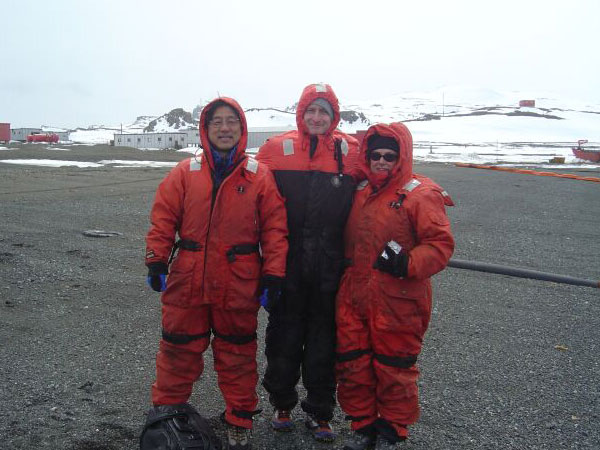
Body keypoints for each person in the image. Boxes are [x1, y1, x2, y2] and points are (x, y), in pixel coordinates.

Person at [142, 97, 288, 450]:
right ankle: (167, 414)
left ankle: (239, 419)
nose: (224, 128)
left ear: (242, 129)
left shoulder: (260, 176)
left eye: (231, 122)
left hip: (238, 282)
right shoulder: (184, 172)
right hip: (187, 278)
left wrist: (274, 275)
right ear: (206, 131)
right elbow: (163, 218)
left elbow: (275, 230)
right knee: (177, 350)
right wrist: (156, 259)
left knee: (237, 354)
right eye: (217, 122)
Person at [336, 122, 455, 450]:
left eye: (390, 155)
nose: (382, 161)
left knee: (394, 369)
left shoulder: (421, 194)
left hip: (399, 299)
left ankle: (392, 432)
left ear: (402, 156)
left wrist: (408, 263)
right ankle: (362, 426)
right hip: (353, 294)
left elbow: (440, 245)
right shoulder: (360, 191)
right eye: (375, 154)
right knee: (353, 362)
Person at [256, 83, 360, 442]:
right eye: (311, 111)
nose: (317, 118)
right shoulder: (274, 150)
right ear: (301, 114)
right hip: (288, 261)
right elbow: (249, 187)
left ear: (334, 118)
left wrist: (421, 189)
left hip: (331, 265)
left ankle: (319, 411)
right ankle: (282, 402)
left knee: (324, 341)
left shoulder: (352, 152)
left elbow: (385, 175)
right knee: (284, 337)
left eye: (324, 112)